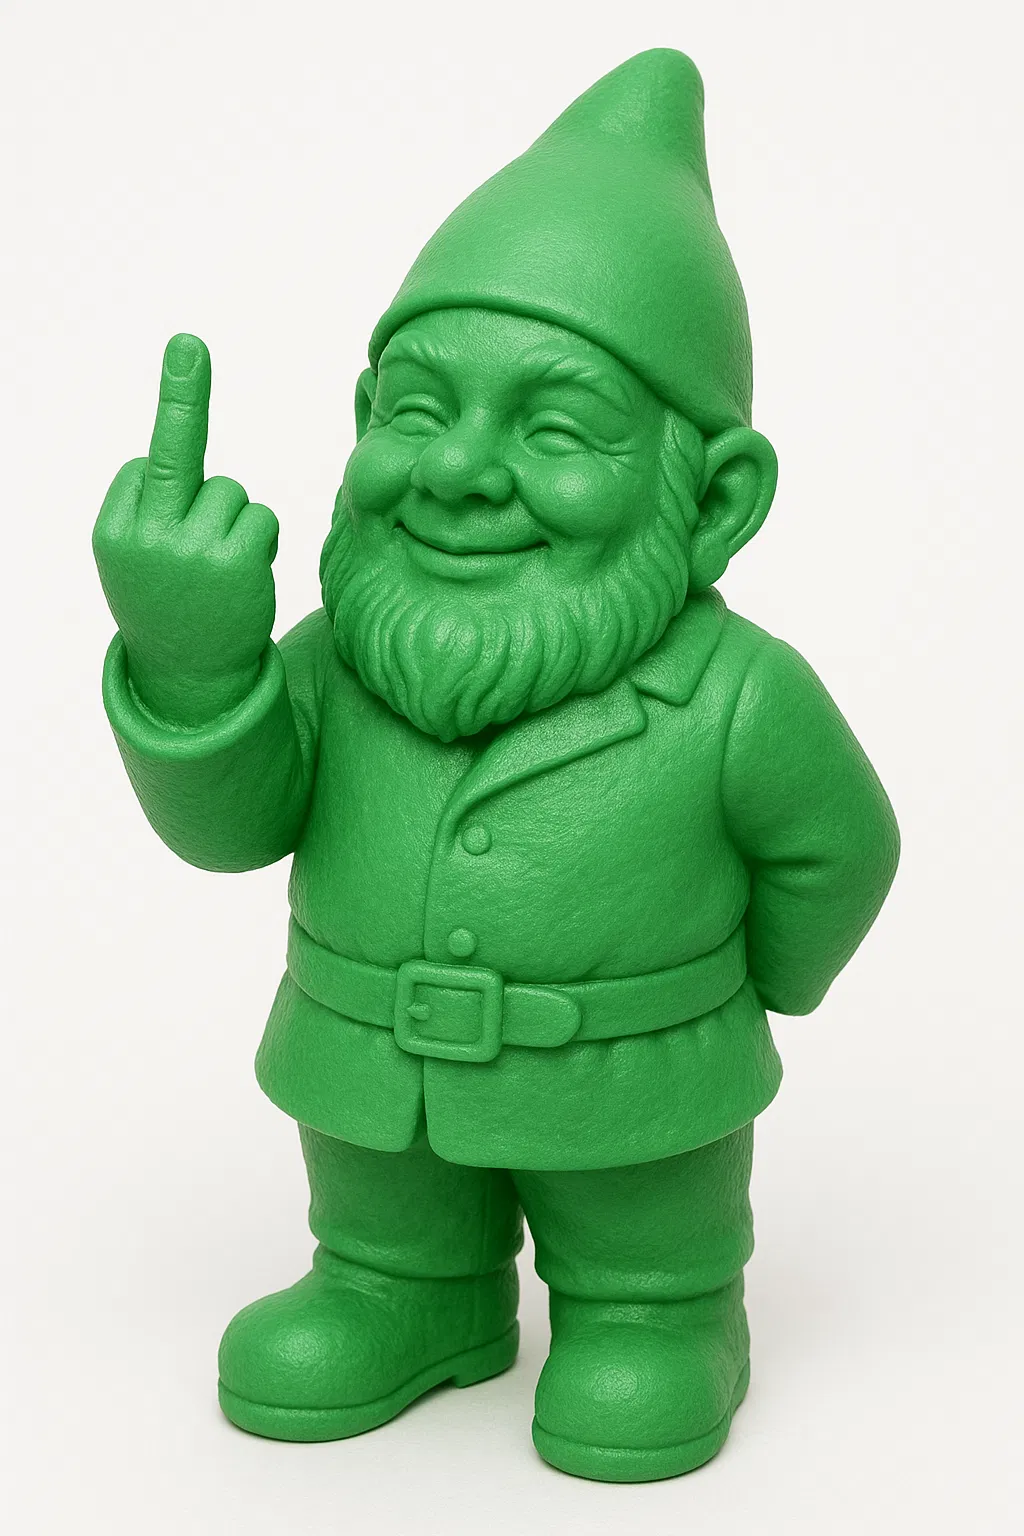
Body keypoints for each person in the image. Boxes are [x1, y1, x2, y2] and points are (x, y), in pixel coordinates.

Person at [93, 49, 899, 1481]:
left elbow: (841, 850)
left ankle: (657, 1311)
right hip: (366, 1075)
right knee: (382, 1219)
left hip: (636, 1086)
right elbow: (231, 829)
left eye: (555, 428)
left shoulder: (734, 695)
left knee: (644, 1237)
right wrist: (194, 666)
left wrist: (734, 991)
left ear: (712, 498)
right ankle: (403, 1290)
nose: (461, 472)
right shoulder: (336, 656)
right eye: (417, 409)